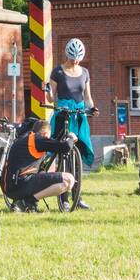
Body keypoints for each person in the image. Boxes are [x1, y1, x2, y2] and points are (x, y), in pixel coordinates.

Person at [47, 37, 96, 210]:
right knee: (63, 157)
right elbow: (52, 96)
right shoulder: (58, 72)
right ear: (67, 54)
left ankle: (78, 196)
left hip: (79, 115)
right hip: (63, 115)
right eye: (72, 57)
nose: (75, 61)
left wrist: (93, 108)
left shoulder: (85, 73)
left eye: (78, 58)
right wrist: (48, 94)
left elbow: (88, 97)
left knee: (77, 157)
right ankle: (64, 199)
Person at [1, 115, 76, 212]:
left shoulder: (24, 139)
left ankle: (25, 203)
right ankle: (26, 202)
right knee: (68, 180)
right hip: (21, 184)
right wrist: (71, 138)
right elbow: (65, 147)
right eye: (48, 137)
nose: (48, 139)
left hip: (9, 188)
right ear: (45, 134)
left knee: (45, 174)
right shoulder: (38, 139)